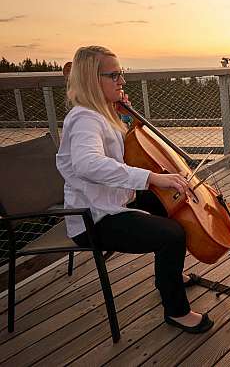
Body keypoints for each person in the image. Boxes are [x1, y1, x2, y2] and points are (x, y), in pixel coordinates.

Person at [56, 45, 213, 334]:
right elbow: (88, 164)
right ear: (93, 80)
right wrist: (152, 177)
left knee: (168, 205)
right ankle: (176, 311)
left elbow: (123, 152)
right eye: (114, 75)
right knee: (172, 234)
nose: (122, 81)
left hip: (113, 200)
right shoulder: (84, 119)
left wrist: (123, 116)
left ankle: (168, 278)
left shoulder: (101, 114)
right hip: (94, 218)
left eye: (121, 74)